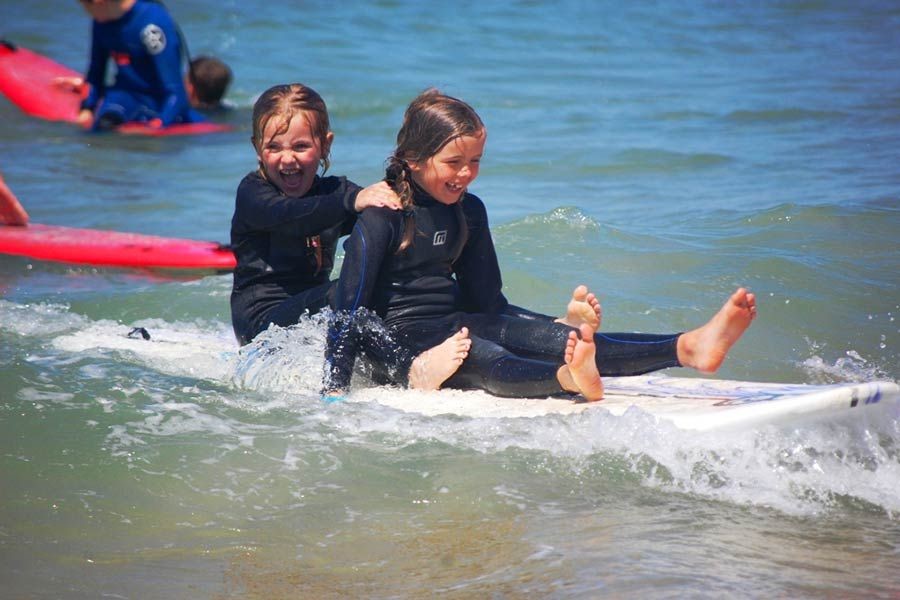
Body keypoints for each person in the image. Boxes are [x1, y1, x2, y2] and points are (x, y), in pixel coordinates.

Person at [325, 89, 757, 400]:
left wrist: (550, 323)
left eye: (475, 161)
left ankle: (687, 348)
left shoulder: (468, 210)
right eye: (453, 163)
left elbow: (488, 302)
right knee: (481, 354)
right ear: (414, 160)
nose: (466, 174)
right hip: (397, 344)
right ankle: (568, 380)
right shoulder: (381, 218)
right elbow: (347, 317)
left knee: (566, 339)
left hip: (451, 321)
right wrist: (334, 394)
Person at [230, 83, 471, 391]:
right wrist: (352, 202)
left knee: (374, 284)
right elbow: (291, 215)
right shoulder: (253, 194)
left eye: (300, 147)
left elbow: (384, 217)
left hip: (311, 315)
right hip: (261, 325)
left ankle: (438, 339)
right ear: (256, 148)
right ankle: (408, 369)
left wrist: (431, 184)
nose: (287, 159)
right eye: (274, 148)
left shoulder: (336, 192)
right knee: (343, 292)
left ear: (325, 145)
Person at [75, 0, 204, 131]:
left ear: (99, 2)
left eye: (84, 6)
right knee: (103, 126)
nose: (87, 13)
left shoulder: (153, 27)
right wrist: (87, 108)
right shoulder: (101, 22)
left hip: (157, 101)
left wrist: (158, 126)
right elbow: (95, 74)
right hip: (124, 96)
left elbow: (176, 92)